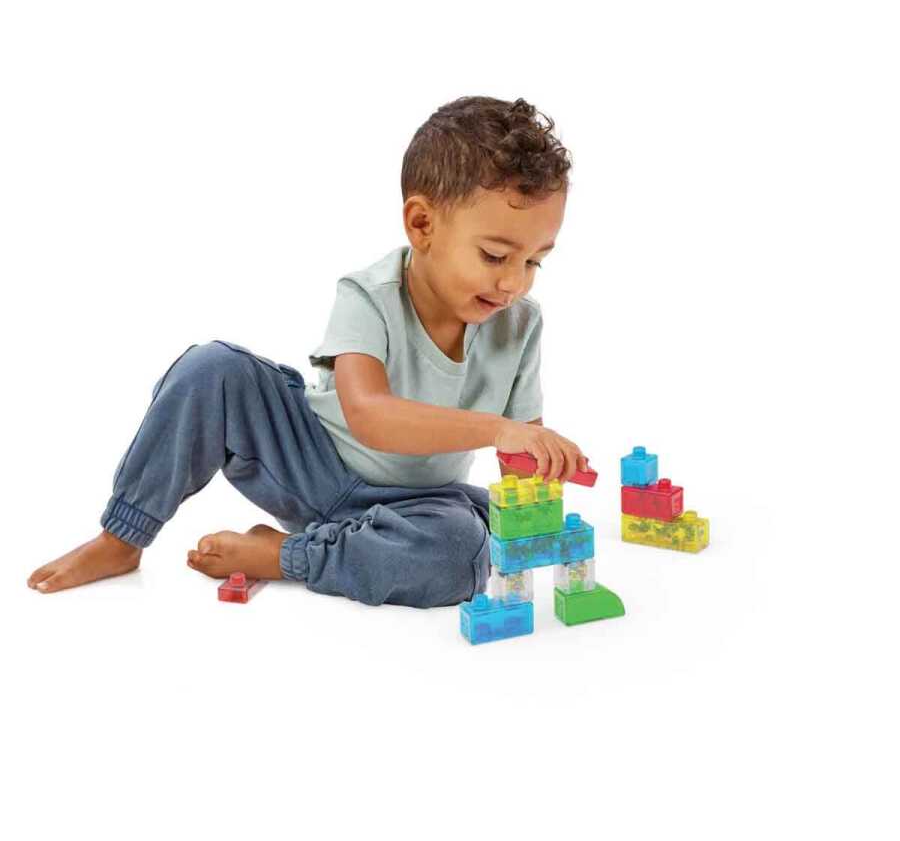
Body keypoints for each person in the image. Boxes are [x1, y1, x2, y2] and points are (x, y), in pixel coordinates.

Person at [27, 95, 588, 606]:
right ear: (422, 225)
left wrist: (541, 468)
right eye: (495, 256)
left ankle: (286, 556)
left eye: (534, 262)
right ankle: (121, 539)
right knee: (212, 368)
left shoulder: (522, 325)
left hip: (419, 504)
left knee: (461, 551)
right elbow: (369, 415)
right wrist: (496, 430)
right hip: (312, 462)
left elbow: (521, 452)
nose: (514, 282)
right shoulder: (368, 296)